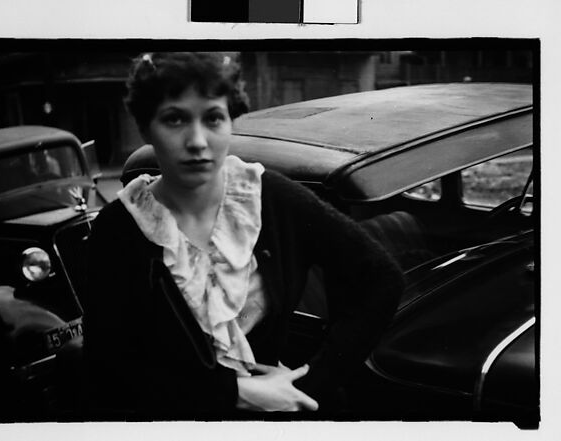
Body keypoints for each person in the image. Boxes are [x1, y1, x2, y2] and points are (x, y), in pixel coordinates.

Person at [83, 52, 404, 418]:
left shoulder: (270, 197)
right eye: (174, 119)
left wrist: (310, 381)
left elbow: (381, 277)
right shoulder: (118, 229)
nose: (197, 141)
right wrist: (233, 393)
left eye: (214, 118)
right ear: (144, 128)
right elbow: (109, 372)